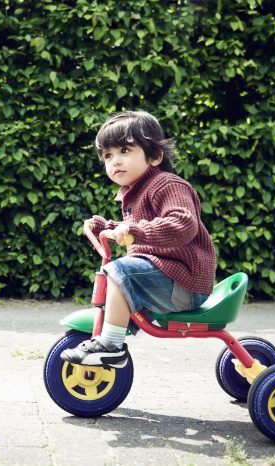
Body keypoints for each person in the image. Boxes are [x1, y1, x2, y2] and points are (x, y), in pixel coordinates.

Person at [60, 111, 216, 368]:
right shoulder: (136, 191)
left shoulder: (168, 185)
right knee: (121, 272)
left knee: (121, 271)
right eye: (108, 156)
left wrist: (135, 230)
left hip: (184, 282)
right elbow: (134, 228)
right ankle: (116, 329)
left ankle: (111, 345)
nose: (115, 161)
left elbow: (183, 224)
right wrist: (108, 226)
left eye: (124, 150)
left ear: (154, 156)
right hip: (166, 278)